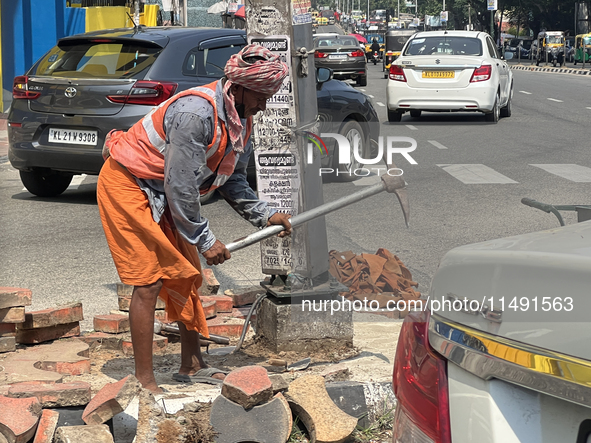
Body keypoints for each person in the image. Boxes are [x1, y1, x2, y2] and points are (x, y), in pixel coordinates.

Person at [97, 44, 291, 393]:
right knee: (149, 282)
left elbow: (230, 177)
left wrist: (264, 215)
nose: (263, 106)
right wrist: (204, 239)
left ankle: (192, 365)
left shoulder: (239, 118)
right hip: (128, 183)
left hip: (167, 190)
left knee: (187, 276)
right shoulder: (195, 114)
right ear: (240, 86)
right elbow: (181, 186)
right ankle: (144, 381)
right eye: (261, 97)